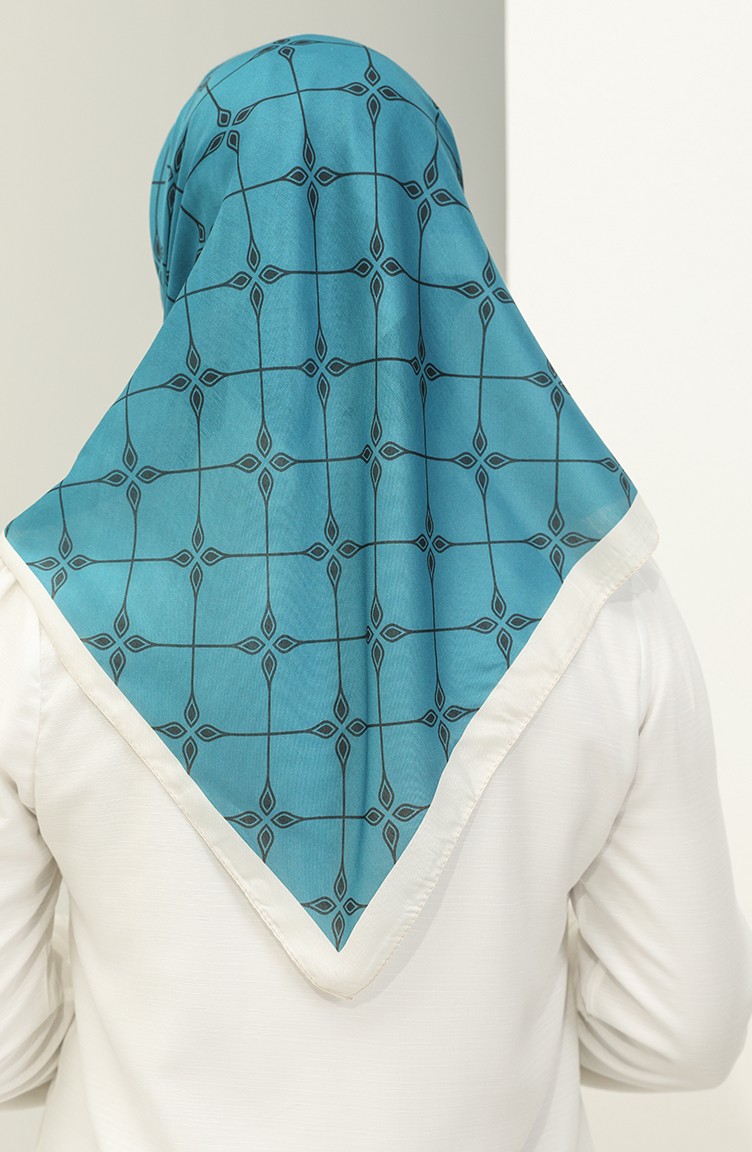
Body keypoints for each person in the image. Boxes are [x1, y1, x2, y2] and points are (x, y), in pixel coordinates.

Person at [0, 32, 750, 1152]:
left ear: (194, 245)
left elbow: (6, 1046)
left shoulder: (45, 615)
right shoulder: (604, 602)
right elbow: (681, 1033)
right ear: (439, 239)